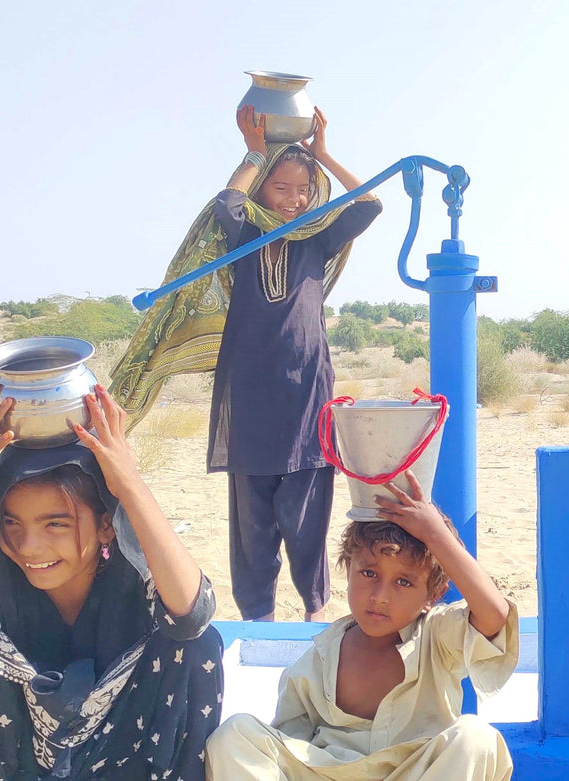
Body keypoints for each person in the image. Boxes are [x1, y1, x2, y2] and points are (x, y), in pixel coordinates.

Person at [112, 105, 382, 623]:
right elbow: (229, 201)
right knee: (253, 517)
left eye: (303, 190)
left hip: (307, 394)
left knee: (305, 514)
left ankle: (314, 611)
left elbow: (369, 204)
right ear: (263, 190)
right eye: (281, 189)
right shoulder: (242, 240)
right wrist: (255, 152)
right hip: (249, 395)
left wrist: (323, 153)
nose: (294, 200)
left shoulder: (316, 238)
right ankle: (258, 615)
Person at [0, 383, 223, 780]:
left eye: (56, 523)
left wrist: (129, 482)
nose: (29, 547)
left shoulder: (137, 580)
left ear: (107, 526)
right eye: (11, 522)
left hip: (122, 764)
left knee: (196, 647)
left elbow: (194, 617)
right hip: (21, 768)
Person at [205, 470, 518, 780]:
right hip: (325, 770)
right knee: (236, 734)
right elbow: (288, 747)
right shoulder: (317, 661)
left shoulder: (437, 636)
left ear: (432, 596)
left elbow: (494, 615)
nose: (380, 597)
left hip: (412, 774)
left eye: (404, 582)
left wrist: (436, 534)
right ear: (348, 567)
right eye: (369, 574)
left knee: (478, 739)